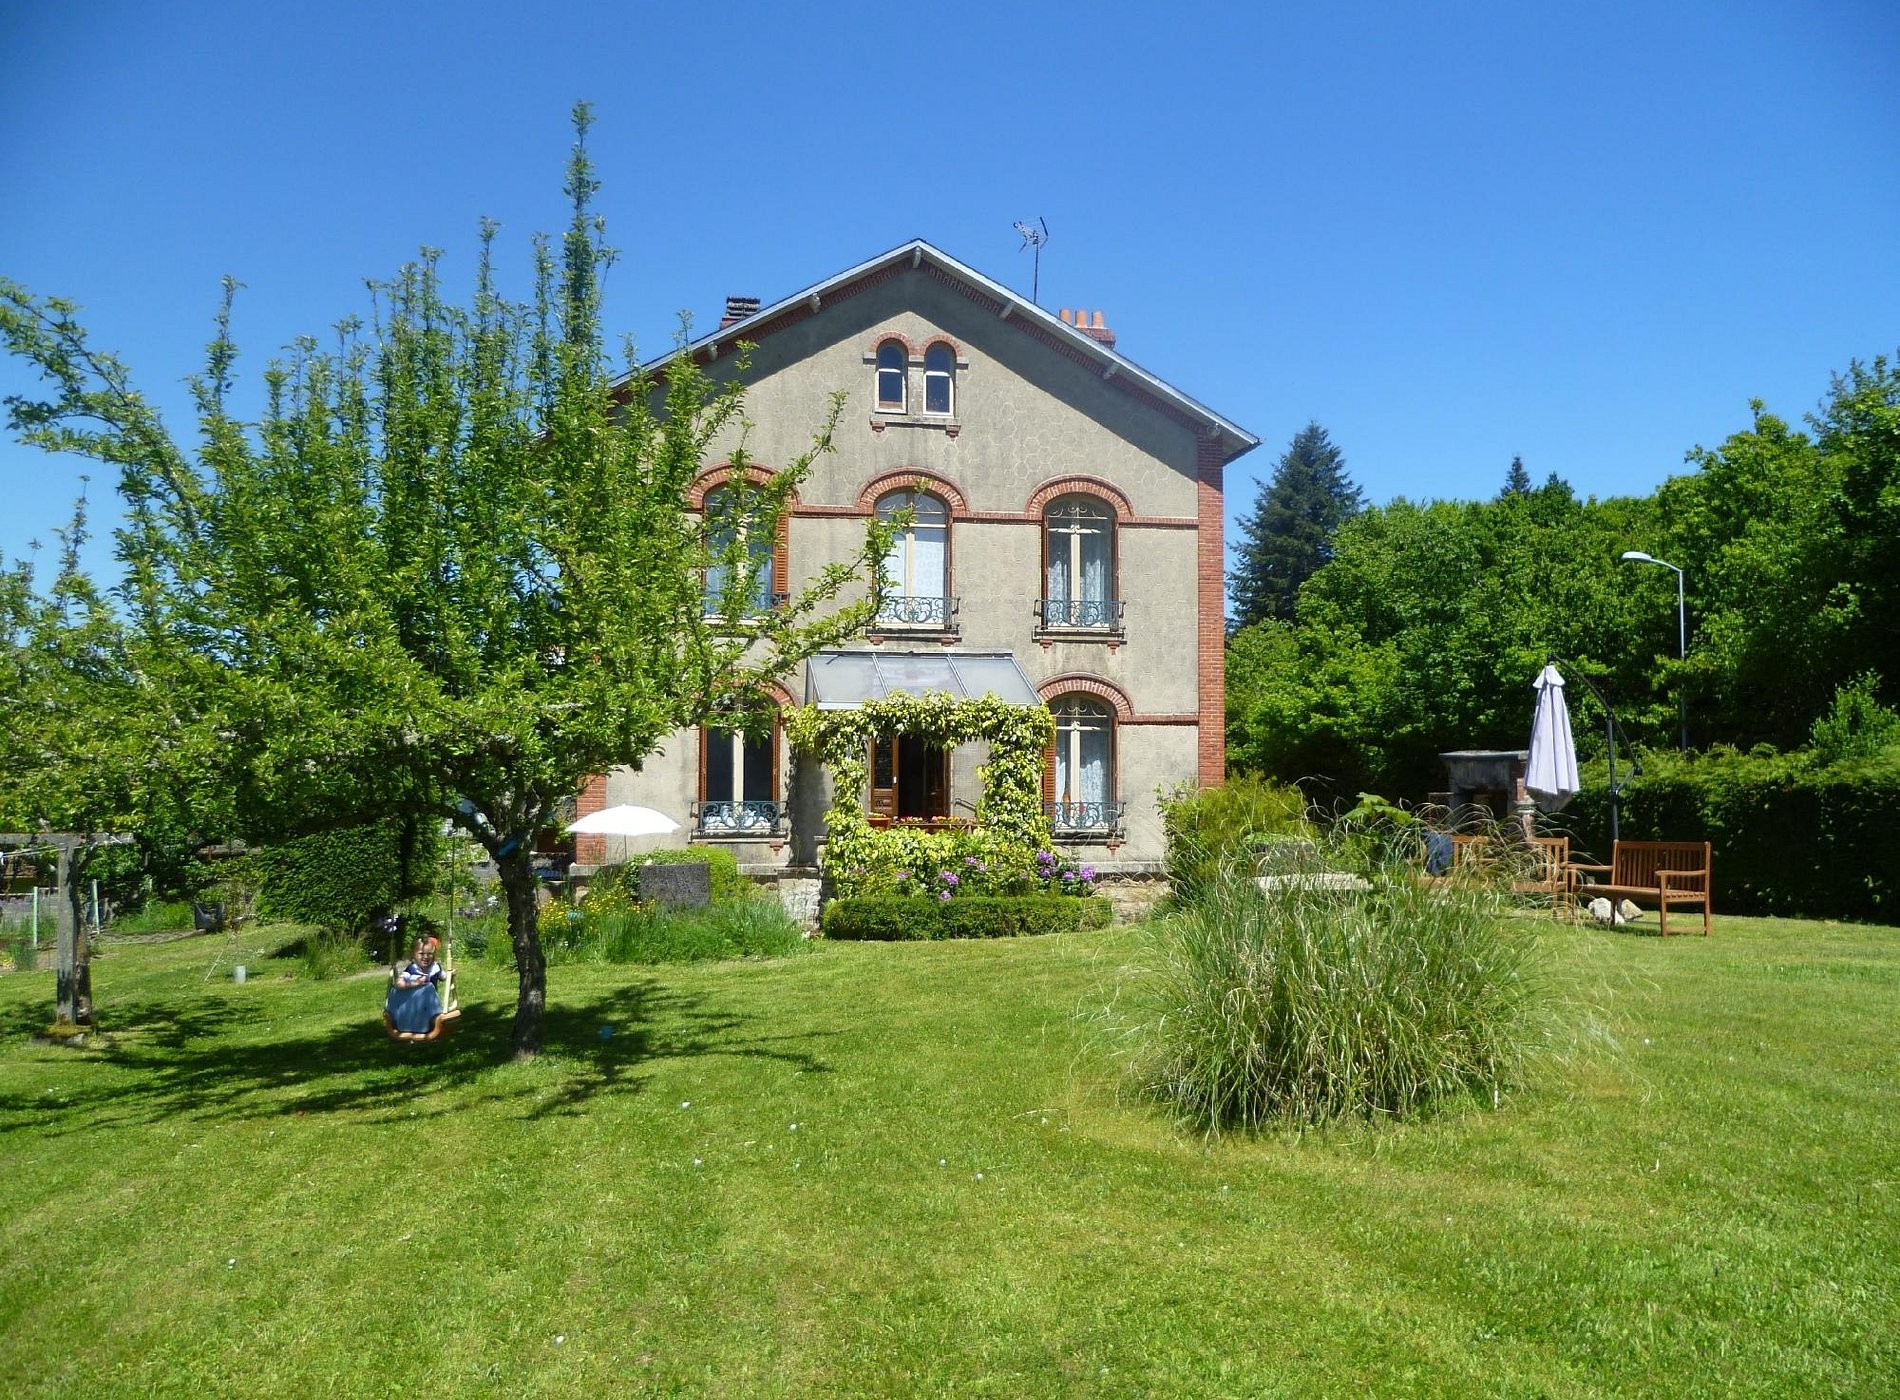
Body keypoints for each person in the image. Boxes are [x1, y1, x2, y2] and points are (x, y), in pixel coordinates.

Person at [384, 935, 446, 1037]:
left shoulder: (435, 968)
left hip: (429, 1005)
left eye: (429, 954)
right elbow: (398, 984)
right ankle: (408, 1022)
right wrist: (415, 983)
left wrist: (450, 975)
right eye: (421, 954)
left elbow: (444, 977)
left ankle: (429, 1021)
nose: (425, 957)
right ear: (413, 955)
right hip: (411, 1002)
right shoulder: (411, 970)